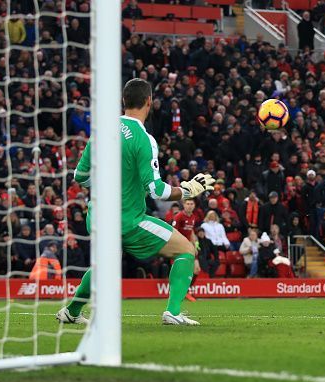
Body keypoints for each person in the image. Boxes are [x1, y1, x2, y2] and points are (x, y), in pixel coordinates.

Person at [58, 78, 215, 326]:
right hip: (127, 220)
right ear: (149, 101)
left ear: (124, 101)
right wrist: (188, 189)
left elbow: (80, 176)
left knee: (105, 265)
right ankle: (173, 312)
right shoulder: (144, 139)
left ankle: (72, 311)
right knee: (185, 249)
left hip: (97, 216)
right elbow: (156, 190)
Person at [172, 198, 203, 301]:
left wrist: (194, 246)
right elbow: (174, 232)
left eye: (191, 204)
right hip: (180, 247)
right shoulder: (179, 216)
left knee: (197, 269)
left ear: (194, 205)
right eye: (188, 204)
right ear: (184, 205)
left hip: (189, 247)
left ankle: (186, 290)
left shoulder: (193, 217)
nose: (190, 205)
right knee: (182, 270)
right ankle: (183, 292)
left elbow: (191, 232)